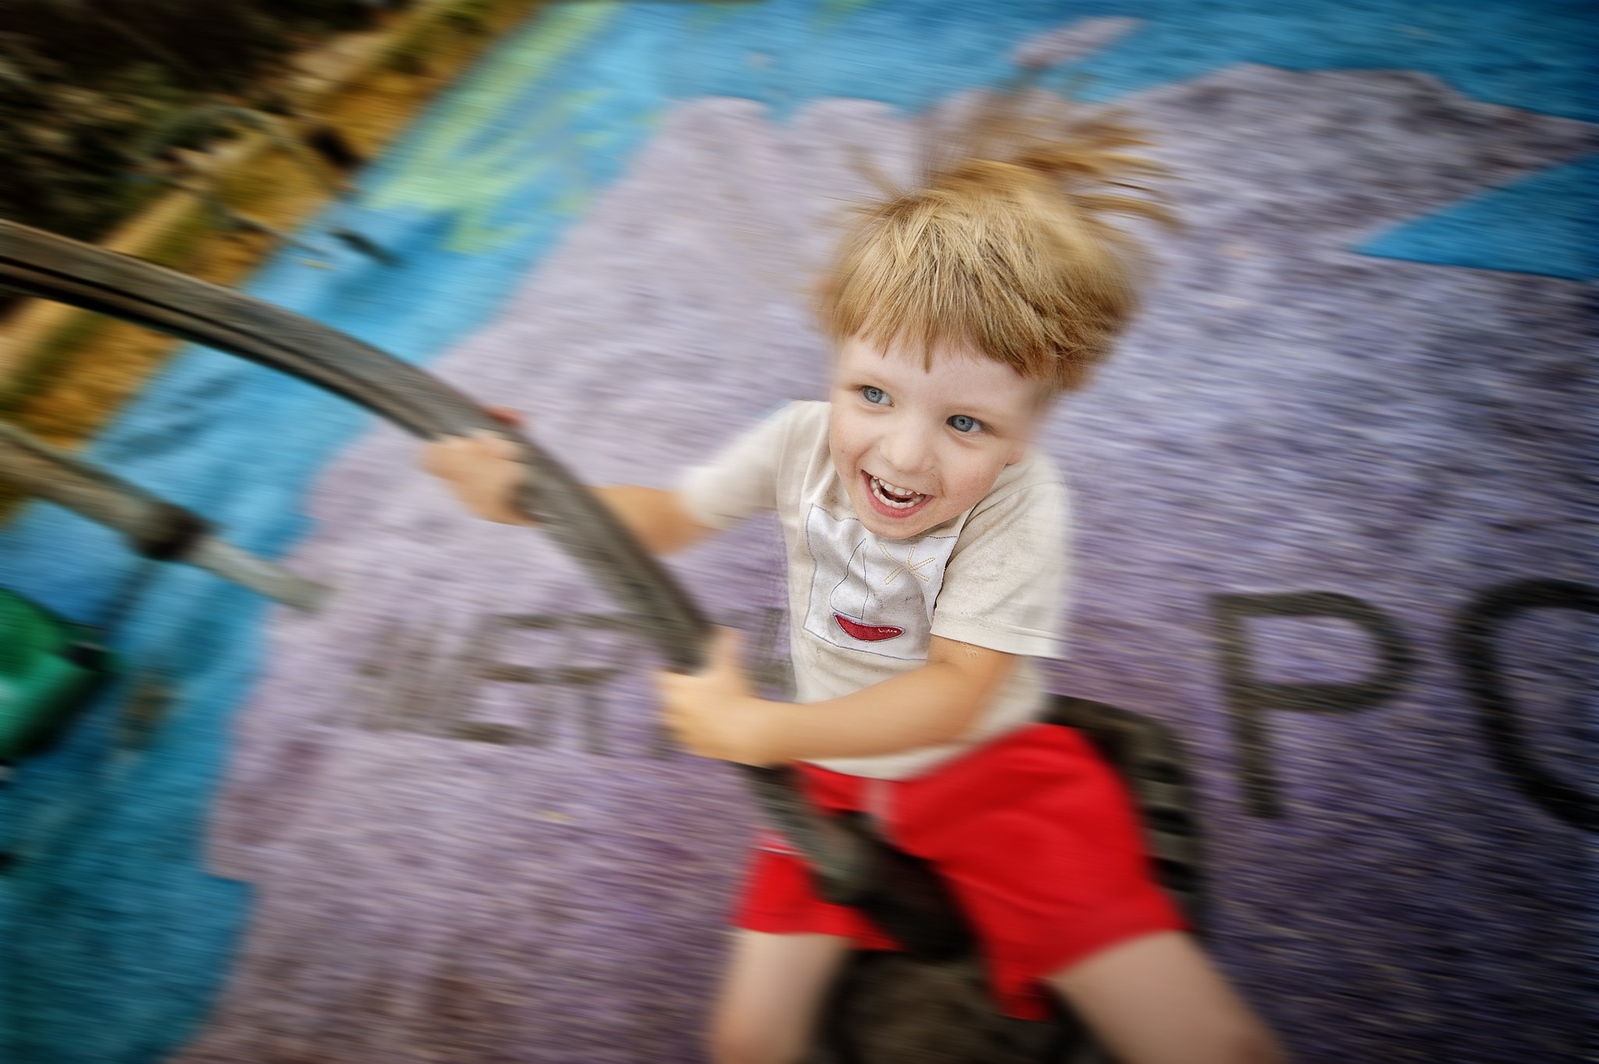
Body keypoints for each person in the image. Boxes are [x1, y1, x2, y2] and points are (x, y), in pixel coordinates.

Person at [422, 95, 1285, 1064]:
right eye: (872, 392)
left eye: (966, 422)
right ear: (834, 354)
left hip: (997, 779)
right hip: (833, 782)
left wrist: (762, 731)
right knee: (747, 1040)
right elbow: (668, 514)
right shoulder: (796, 441)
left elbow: (956, 695)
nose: (904, 454)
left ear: (1030, 429)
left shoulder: (1022, 506)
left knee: (1202, 1037)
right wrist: (529, 491)